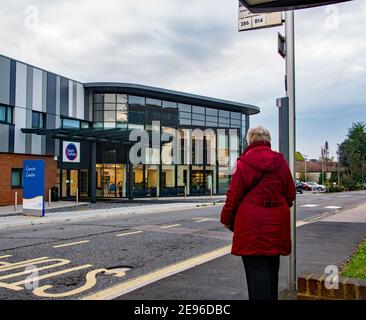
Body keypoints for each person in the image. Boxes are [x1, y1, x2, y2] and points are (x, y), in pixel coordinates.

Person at [220, 125, 296, 301]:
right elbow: (290, 194)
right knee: (271, 272)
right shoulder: (281, 163)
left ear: (250, 140)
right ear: (268, 140)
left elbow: (233, 196)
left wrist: (225, 219)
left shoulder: (244, 163)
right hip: (276, 225)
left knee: (255, 275)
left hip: (251, 226)